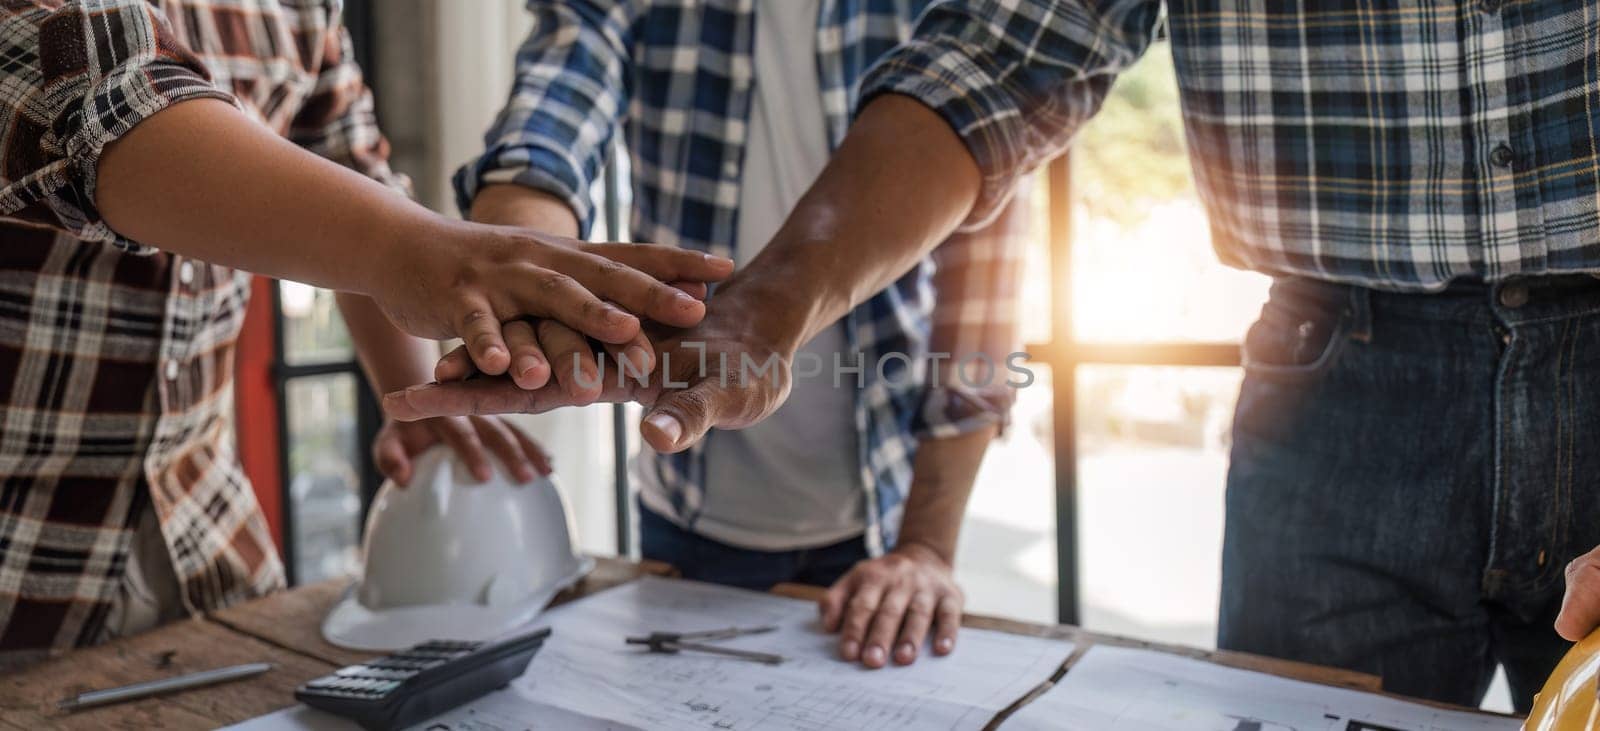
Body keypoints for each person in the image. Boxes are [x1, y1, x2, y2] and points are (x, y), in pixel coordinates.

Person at [389, 0, 1600, 711]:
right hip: (1333, 371)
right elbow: (1005, 67)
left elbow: (985, 258)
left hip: (884, 476)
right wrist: (523, 262)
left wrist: (925, 537)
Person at [0, 0, 731, 670]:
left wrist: (419, 401)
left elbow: (350, 164)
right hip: (22, 573)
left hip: (213, 556)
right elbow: (100, 107)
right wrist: (417, 250)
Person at [425, 0, 1027, 670]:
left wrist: (927, 547)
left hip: (884, 520)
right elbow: (556, 106)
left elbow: (983, 286)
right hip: (686, 510)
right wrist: (527, 264)